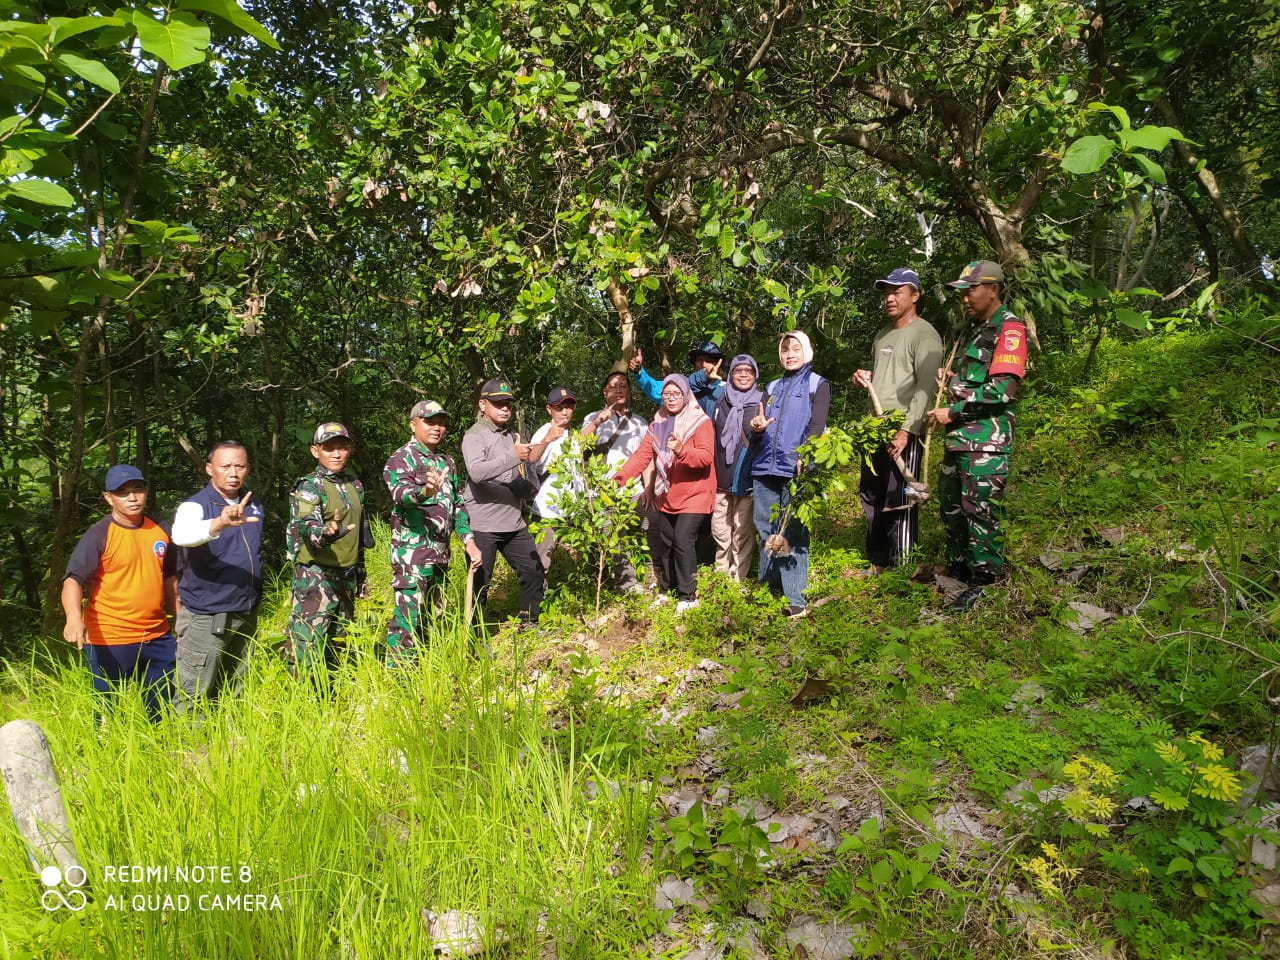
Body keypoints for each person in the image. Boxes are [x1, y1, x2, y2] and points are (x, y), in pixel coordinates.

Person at [926, 259, 1027, 613]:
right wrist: (952, 379)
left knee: (981, 511)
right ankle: (958, 567)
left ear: (993, 289)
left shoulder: (1009, 330)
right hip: (959, 441)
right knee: (952, 507)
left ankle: (984, 579)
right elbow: (976, 380)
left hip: (986, 442)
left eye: (971, 290)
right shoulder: (976, 329)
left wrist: (950, 412)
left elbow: (1002, 391)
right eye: (962, 292)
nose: (965, 298)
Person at [61, 464, 178, 721]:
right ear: (108, 497)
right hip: (110, 639)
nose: (132, 497)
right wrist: (73, 618)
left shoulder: (160, 528)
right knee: (107, 714)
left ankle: (158, 755)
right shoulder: (99, 534)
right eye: (123, 492)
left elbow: (170, 578)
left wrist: (180, 621)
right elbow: (73, 580)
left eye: (138, 490)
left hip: (157, 636)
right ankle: (105, 757)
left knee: (161, 710)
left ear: (146, 491)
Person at [853, 268, 943, 575]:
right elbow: (885, 380)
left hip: (904, 428)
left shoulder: (926, 335)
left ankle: (903, 568)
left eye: (897, 292)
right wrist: (865, 379)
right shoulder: (883, 336)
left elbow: (925, 387)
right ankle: (878, 563)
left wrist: (907, 430)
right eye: (886, 293)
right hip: (875, 428)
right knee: (871, 495)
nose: (889, 298)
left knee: (899, 498)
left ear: (914, 296)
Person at [383, 400, 483, 663]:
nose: (436, 428)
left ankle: (427, 670)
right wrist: (424, 492)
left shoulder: (445, 461)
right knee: (407, 619)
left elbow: (458, 506)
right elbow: (400, 495)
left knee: (433, 617)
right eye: (429, 422)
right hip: (412, 555)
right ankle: (398, 678)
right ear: (413, 425)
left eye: (440, 422)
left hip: (440, 555)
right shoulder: (401, 459)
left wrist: (469, 541)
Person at [171, 441, 264, 715]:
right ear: (209, 469)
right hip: (207, 616)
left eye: (240, 465)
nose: (233, 472)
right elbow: (182, 535)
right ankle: (189, 752)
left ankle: (232, 749)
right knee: (194, 694)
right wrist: (219, 523)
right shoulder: (195, 506)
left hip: (245, 613)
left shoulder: (253, 503)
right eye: (225, 466)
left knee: (235, 689)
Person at [614, 374, 715, 612]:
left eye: (676, 394)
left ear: (686, 395)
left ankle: (688, 596)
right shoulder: (657, 424)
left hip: (696, 493)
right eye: (667, 394)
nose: (671, 399)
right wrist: (619, 479)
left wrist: (681, 450)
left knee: (682, 539)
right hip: (669, 494)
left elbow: (705, 457)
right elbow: (642, 456)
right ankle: (667, 591)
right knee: (667, 542)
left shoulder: (701, 422)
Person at [750, 331, 830, 619]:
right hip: (764, 467)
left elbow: (817, 425)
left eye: (796, 348)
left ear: (806, 352)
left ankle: (795, 598)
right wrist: (756, 427)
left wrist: (806, 457)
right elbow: (759, 427)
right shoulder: (771, 386)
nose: (790, 354)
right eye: (785, 349)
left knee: (793, 532)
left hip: (796, 468)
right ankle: (768, 588)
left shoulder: (817, 384)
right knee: (765, 528)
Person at [285, 422, 372, 676]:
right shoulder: (310, 486)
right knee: (306, 647)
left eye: (341, 447)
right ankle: (301, 704)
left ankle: (332, 701)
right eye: (328, 448)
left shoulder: (354, 485)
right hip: (316, 578)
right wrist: (324, 533)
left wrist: (361, 573)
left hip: (346, 576)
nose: (336, 454)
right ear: (315, 451)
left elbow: (359, 535)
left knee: (340, 643)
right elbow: (307, 525)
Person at [461, 379, 545, 628]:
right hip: (483, 524)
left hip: (513, 521)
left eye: (507, 403)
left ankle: (529, 623)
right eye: (498, 403)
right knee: (480, 585)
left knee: (533, 571)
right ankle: (476, 638)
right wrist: (513, 456)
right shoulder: (474, 436)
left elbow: (513, 472)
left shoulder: (511, 435)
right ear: (482, 404)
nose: (504, 408)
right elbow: (476, 473)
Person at [581, 368, 655, 592]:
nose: (619, 390)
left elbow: (647, 458)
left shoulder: (640, 423)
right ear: (605, 393)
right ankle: (627, 585)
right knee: (612, 538)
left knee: (648, 533)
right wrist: (596, 423)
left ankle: (654, 578)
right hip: (602, 491)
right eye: (614, 387)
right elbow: (579, 445)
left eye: (624, 386)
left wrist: (649, 488)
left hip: (634, 491)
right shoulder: (592, 419)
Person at [711, 354, 762, 582]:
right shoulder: (720, 400)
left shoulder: (762, 401)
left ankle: (737, 579)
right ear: (730, 375)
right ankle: (720, 575)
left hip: (747, 479)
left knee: (742, 532)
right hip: (720, 479)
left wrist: (759, 432)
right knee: (720, 532)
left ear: (755, 374)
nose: (743, 374)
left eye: (748, 370)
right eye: (738, 370)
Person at [529, 386, 583, 577]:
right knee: (541, 562)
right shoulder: (544, 432)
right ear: (549, 409)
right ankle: (532, 605)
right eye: (560, 407)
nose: (565, 411)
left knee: (583, 556)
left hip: (573, 510)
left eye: (569, 406)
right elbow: (531, 458)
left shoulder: (574, 435)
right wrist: (547, 440)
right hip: (547, 511)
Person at [629, 341, 726, 416]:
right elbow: (655, 390)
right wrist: (639, 371)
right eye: (700, 360)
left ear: (717, 364)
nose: (704, 364)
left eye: (708, 361)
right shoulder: (684, 386)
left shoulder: (727, 390)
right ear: (694, 364)